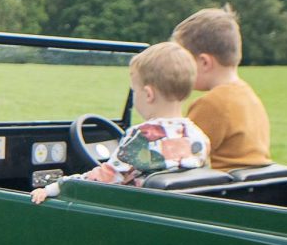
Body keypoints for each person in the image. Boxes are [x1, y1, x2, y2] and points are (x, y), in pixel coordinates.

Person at [32, 42, 209, 203]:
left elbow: (106, 176)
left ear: (148, 94)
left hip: (133, 213)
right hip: (168, 211)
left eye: (135, 91)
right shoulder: (199, 137)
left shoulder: (143, 137)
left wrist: (57, 186)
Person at [172, 6, 271, 170]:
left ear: (204, 62)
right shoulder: (248, 96)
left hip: (216, 188)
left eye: (184, 60)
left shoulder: (211, 103)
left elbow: (178, 157)